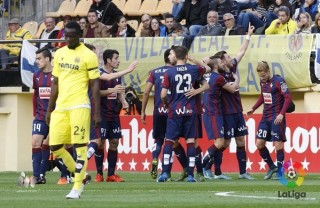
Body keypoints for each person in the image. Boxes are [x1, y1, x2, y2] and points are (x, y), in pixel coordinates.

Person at [46, 21, 101, 199]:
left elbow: (94, 84)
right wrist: (49, 109)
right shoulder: (60, 53)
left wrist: (96, 112)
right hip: (61, 107)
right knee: (55, 146)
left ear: (80, 34)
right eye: (66, 36)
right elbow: (55, 83)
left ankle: (77, 187)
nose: (68, 39)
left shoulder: (89, 55)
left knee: (79, 147)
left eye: (72, 36)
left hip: (80, 106)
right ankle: (83, 176)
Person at [202, 24, 255, 180]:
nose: (232, 58)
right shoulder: (219, 76)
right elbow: (205, 63)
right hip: (225, 112)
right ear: (222, 62)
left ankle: (243, 172)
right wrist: (237, 80)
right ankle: (215, 170)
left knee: (241, 140)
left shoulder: (231, 68)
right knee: (224, 143)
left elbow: (242, 51)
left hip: (237, 110)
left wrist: (248, 35)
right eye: (228, 57)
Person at [157, 45, 211, 182]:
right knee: (191, 141)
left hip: (175, 110)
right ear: (186, 56)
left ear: (175, 55)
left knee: (169, 141)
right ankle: (191, 176)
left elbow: (163, 94)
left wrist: (166, 103)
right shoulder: (193, 69)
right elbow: (208, 68)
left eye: (172, 53)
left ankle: (164, 173)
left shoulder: (169, 72)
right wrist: (192, 59)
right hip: (190, 110)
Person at [184, 56, 240, 180]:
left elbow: (205, 67)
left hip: (209, 112)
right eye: (221, 62)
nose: (223, 64)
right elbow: (232, 89)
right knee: (220, 142)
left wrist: (192, 59)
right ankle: (204, 165)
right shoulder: (219, 78)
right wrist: (236, 79)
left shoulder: (207, 75)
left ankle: (211, 168)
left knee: (222, 142)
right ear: (216, 66)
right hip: (214, 112)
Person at [87, 49, 138, 183]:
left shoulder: (117, 75)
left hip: (114, 114)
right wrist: (111, 90)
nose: (118, 61)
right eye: (116, 58)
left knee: (114, 142)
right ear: (109, 60)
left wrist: (124, 102)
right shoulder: (98, 73)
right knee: (101, 143)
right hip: (101, 114)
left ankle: (111, 174)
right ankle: (99, 174)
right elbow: (96, 92)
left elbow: (119, 90)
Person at [247, 61, 293, 180]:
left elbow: (288, 97)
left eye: (263, 75)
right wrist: (253, 108)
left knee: (278, 144)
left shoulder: (279, 81)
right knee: (259, 143)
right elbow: (263, 96)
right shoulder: (263, 82)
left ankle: (280, 172)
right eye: (260, 76)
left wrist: (281, 114)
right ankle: (272, 167)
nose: (262, 78)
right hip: (265, 117)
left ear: (268, 71)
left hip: (276, 117)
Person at [141, 49, 172, 179]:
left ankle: (155, 158)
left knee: (158, 139)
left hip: (158, 111)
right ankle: (166, 171)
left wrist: (143, 111)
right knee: (170, 141)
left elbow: (147, 92)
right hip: (172, 111)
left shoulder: (154, 72)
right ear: (169, 57)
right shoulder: (176, 71)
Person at [31, 48, 53, 184]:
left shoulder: (57, 75)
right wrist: (35, 112)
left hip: (56, 116)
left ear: (48, 59)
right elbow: (35, 95)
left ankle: (43, 174)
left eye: (39, 58)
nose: (36, 61)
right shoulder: (36, 75)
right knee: (35, 142)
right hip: (40, 115)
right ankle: (36, 175)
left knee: (49, 143)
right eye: (36, 58)